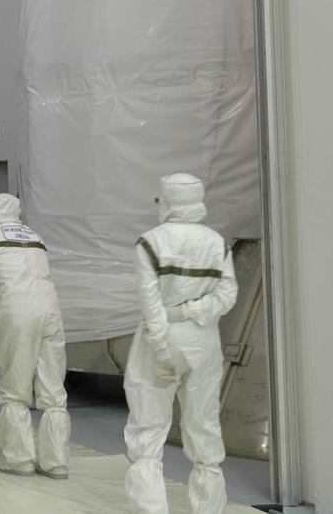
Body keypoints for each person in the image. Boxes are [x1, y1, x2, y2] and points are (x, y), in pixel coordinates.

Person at [123, 174, 237, 514]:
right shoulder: (216, 243)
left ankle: (151, 509)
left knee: (148, 428)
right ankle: (209, 508)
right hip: (203, 341)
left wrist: (160, 345)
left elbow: (150, 301)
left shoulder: (150, 242)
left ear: (167, 201)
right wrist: (196, 310)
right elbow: (228, 294)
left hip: (163, 339)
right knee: (203, 424)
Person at [0, 193, 70, 479]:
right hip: (51, 312)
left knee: (15, 388)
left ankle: (18, 459)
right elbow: (27, 278)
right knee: (53, 390)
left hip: (18, 317)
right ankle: (56, 462)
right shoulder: (35, 237)